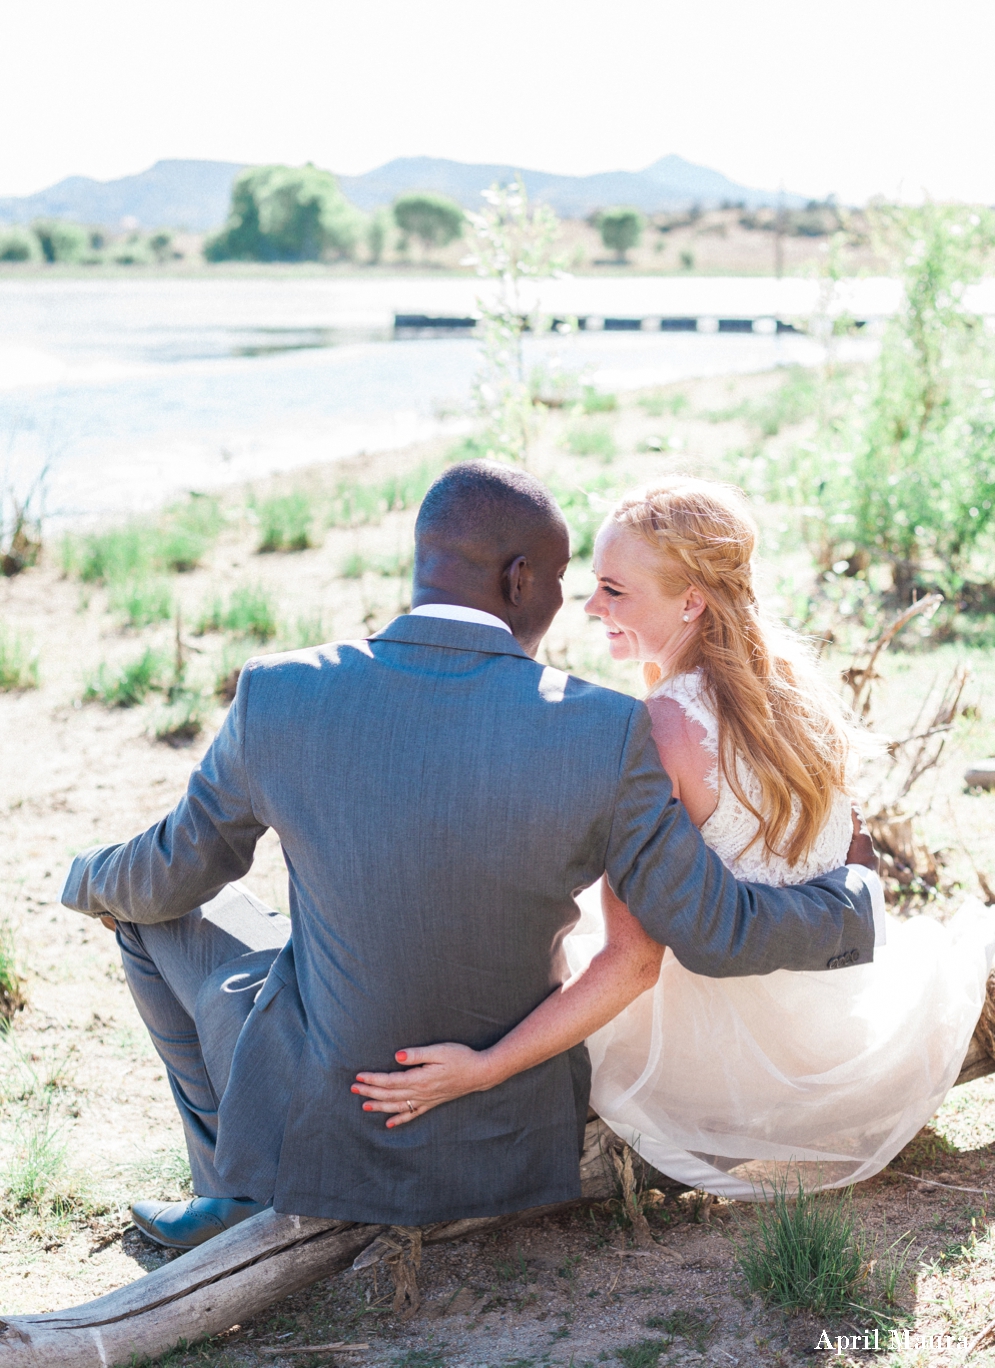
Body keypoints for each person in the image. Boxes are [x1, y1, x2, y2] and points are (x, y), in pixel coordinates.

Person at [62, 463, 881, 1250]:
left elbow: (167, 871)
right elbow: (705, 928)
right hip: (508, 1138)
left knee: (143, 914)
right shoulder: (605, 729)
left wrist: (84, 878)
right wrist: (852, 903)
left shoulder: (278, 692)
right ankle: (232, 1187)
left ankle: (231, 1185)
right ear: (523, 581)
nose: (581, 606)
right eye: (569, 582)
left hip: (338, 1106)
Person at [356, 476, 995, 1199]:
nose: (591, 606)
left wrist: (486, 1066)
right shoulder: (788, 688)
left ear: (690, 601)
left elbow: (634, 965)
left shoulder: (663, 726)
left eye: (614, 590)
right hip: (830, 1020)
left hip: (730, 1050)